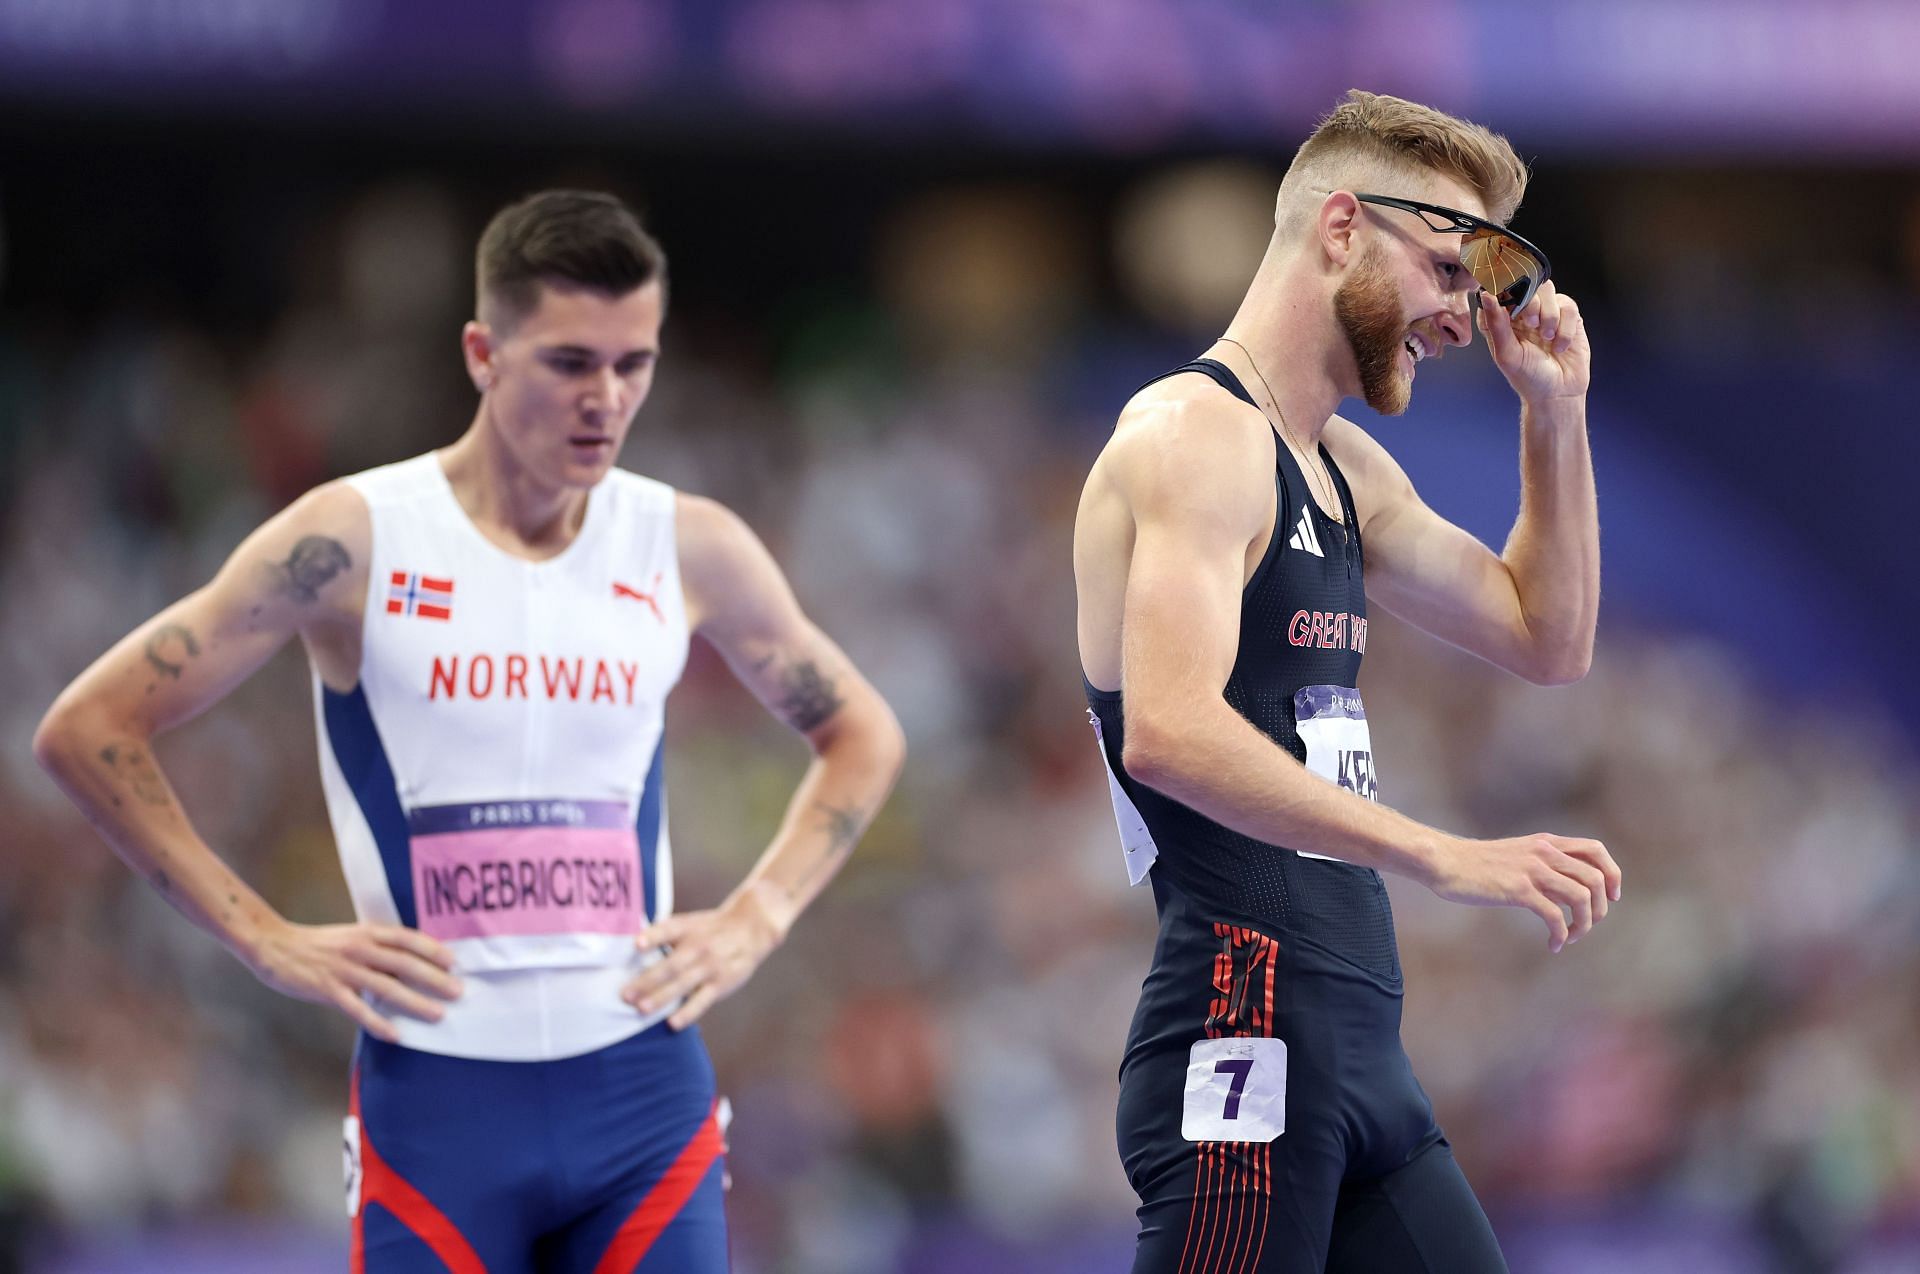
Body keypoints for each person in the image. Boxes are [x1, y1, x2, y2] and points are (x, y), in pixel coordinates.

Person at [33, 189, 906, 1272]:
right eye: (569, 362)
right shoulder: (353, 540)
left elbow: (863, 730)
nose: (607, 399)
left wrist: (760, 912)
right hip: (440, 1099)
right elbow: (89, 726)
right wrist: (263, 935)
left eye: (635, 363)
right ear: (484, 352)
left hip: (640, 1089)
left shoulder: (685, 543)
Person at [1073, 90, 1622, 1272]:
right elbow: (1166, 731)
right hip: (1243, 1036)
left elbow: (1547, 637)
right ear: (1339, 229)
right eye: (1444, 267)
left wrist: (1555, 416)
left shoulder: (1340, 468)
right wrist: (1441, 851)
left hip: (1358, 1048)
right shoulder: (1190, 437)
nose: (1463, 318)